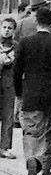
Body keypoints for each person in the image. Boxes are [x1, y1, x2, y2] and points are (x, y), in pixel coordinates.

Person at [13, 7, 51, 175]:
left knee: (32, 131)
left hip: (31, 94)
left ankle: (33, 158)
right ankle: (46, 167)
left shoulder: (24, 43)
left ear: (36, 22)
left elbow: (17, 71)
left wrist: (19, 93)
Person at [0, 18, 17, 159]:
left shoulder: (17, 46)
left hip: (9, 84)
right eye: (4, 27)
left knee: (8, 115)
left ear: (14, 30)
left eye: (10, 28)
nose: (6, 30)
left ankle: (5, 147)